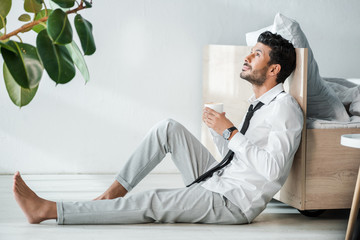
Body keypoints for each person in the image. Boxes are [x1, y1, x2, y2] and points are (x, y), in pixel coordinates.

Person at [13, 31, 303, 225]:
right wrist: (219, 133)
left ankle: (49, 210)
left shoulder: (285, 108)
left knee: (152, 201)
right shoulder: (259, 103)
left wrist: (230, 132)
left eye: (257, 54)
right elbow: (237, 158)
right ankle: (113, 192)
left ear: (274, 69)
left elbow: (272, 170)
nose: (247, 58)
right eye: (250, 52)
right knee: (168, 128)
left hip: (232, 202)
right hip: (220, 179)